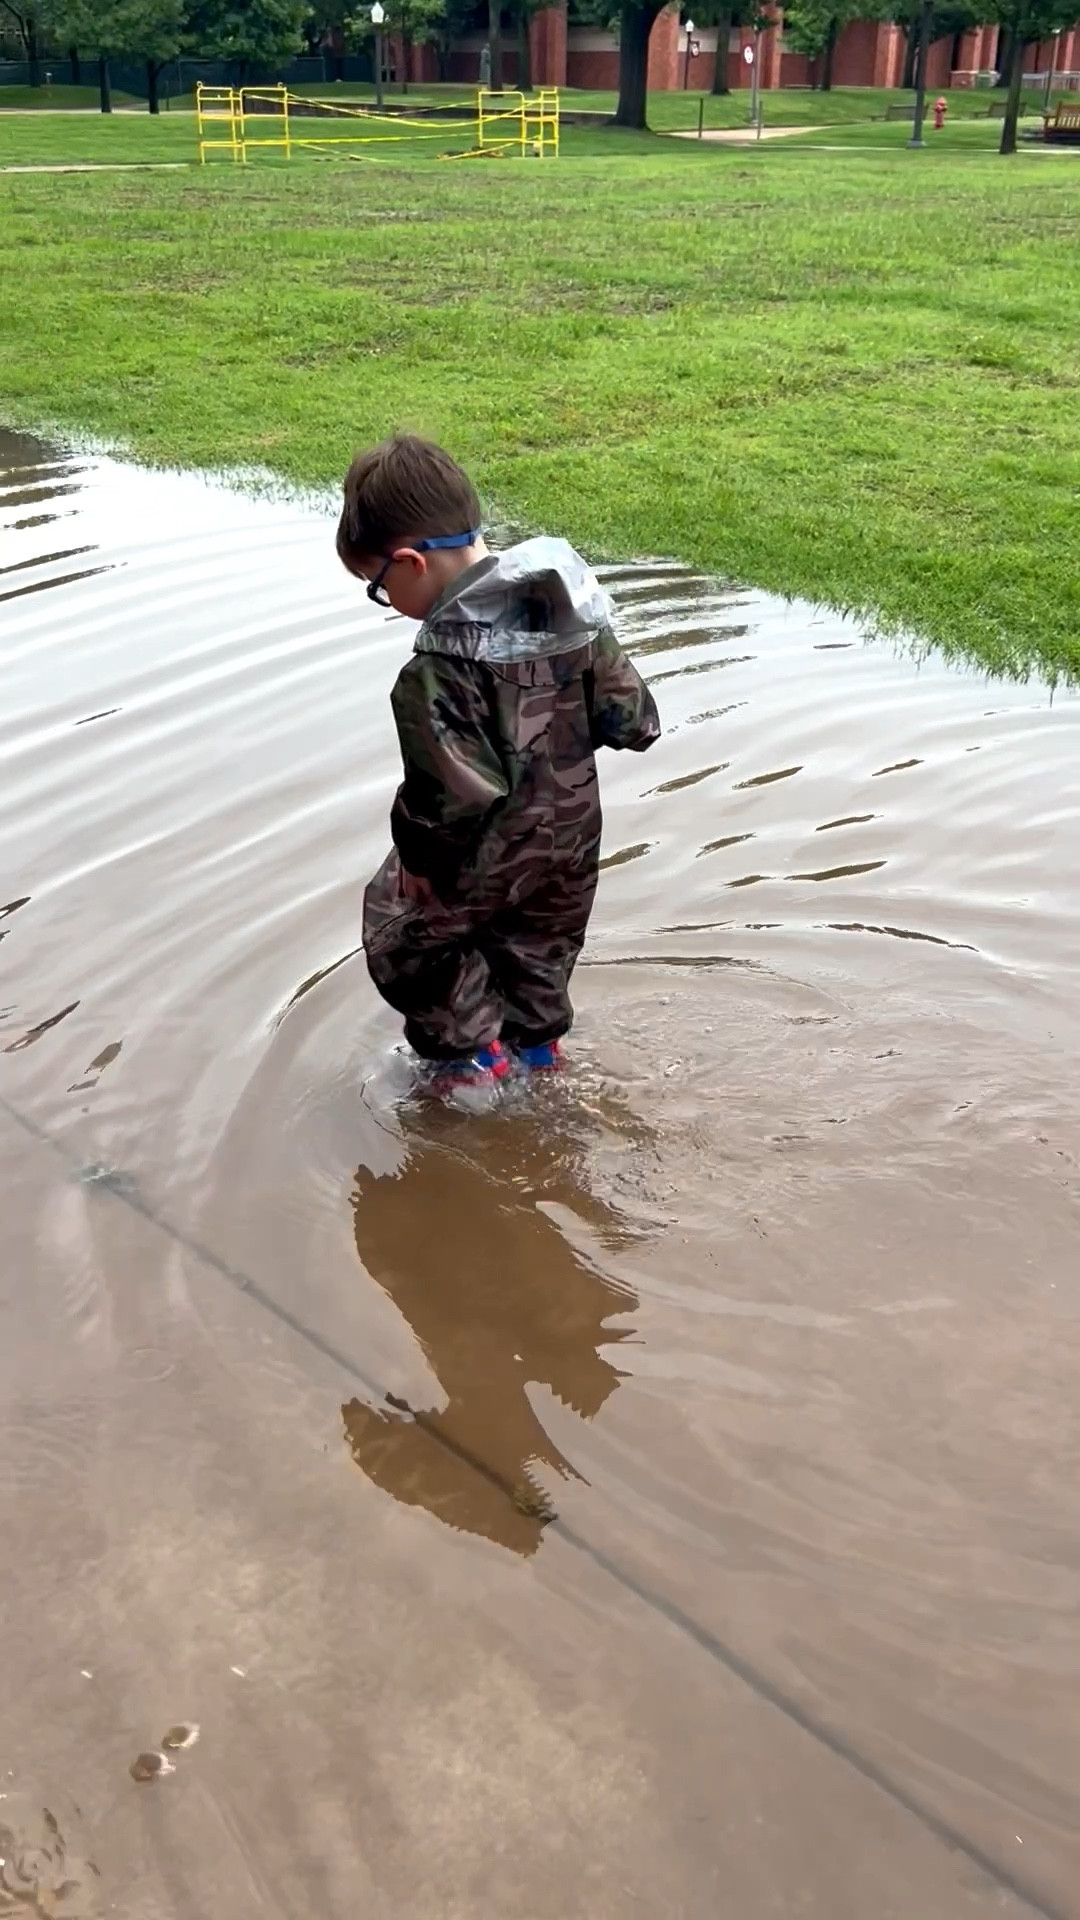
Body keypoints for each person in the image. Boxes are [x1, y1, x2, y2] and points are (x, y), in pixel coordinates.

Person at [336, 433, 661, 1089]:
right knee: (538, 950)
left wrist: (420, 865)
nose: (385, 601)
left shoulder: (438, 669)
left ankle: (466, 1062)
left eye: (378, 587)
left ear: (408, 563)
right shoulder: (573, 616)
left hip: (490, 851)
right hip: (571, 841)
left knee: (400, 930)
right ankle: (539, 1058)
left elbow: (452, 799)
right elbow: (635, 720)